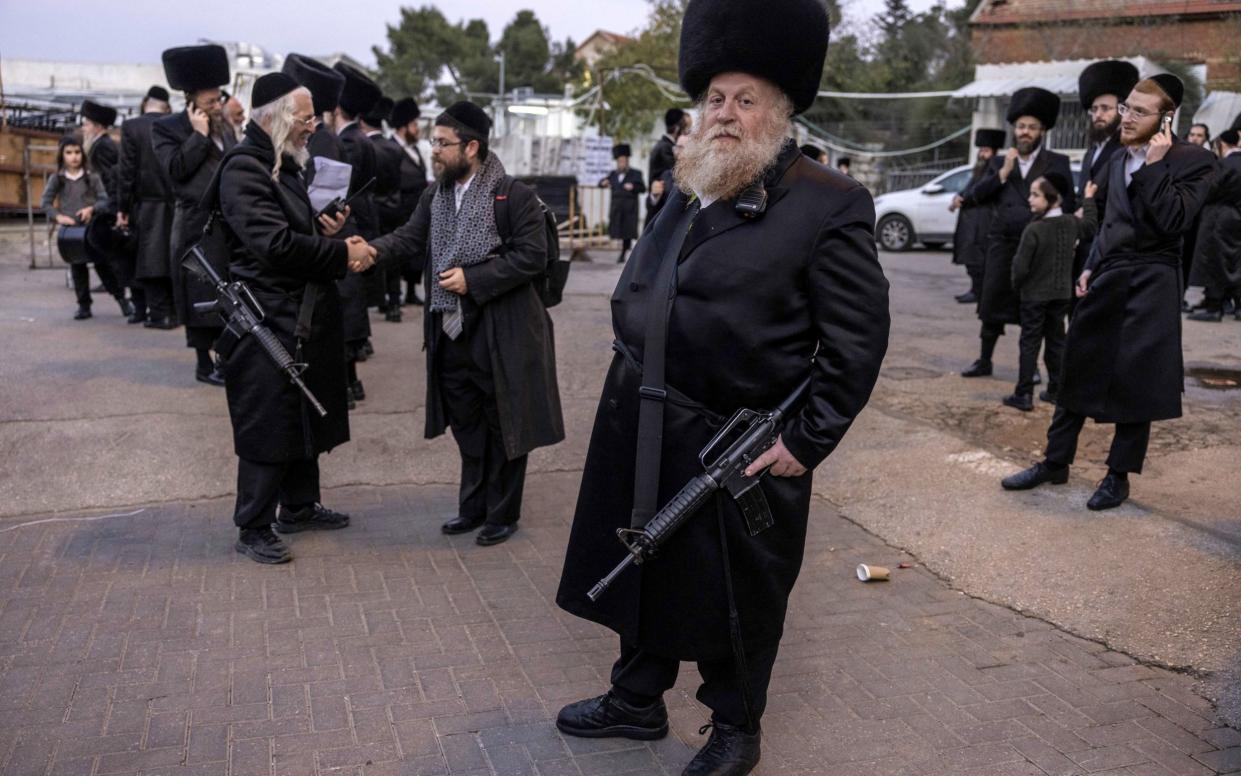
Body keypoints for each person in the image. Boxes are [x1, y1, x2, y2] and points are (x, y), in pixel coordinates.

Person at [553, 0, 890, 772]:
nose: (724, 114)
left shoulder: (828, 203)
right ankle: (636, 700)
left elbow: (855, 342)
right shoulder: (689, 184)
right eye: (714, 99)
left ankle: (737, 729)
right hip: (644, 424)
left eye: (745, 100)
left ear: (778, 110)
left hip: (739, 443)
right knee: (642, 563)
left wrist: (804, 442)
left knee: (736, 593)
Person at [1002, 75, 1215, 511]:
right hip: (1109, 274)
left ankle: (1118, 477)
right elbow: (1109, 222)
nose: (1127, 117)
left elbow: (1174, 219)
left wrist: (1155, 166)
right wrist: (1091, 266)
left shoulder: (1196, 160)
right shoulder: (1115, 157)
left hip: (1154, 281)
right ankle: (1055, 462)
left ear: (1165, 118)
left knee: (1137, 383)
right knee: (1077, 368)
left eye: (1139, 110)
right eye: (1126, 107)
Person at [370, 100, 565, 547]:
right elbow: (409, 238)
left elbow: (532, 257)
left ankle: (502, 513)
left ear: (471, 147)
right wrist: (368, 251)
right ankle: (471, 507)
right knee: (468, 423)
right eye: (433, 142)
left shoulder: (512, 195)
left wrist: (473, 279)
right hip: (451, 331)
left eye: (442, 143)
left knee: (505, 422)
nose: (433, 150)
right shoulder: (434, 195)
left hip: (503, 331)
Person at [209, 74, 375, 564]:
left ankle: (299, 506)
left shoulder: (279, 163)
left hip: (295, 313)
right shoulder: (244, 169)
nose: (313, 127)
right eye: (305, 119)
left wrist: (324, 229)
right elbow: (272, 246)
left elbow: (289, 232)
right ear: (279, 117)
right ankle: (254, 525)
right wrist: (340, 253)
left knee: (299, 413)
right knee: (267, 422)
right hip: (264, 317)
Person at [961, 87, 1075, 379]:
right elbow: (974, 197)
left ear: (1043, 131)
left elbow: (1068, 204)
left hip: (1039, 250)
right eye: (1021, 126)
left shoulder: (1056, 162)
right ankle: (984, 360)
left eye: (1032, 127)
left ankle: (1030, 368)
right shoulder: (999, 162)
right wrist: (1001, 174)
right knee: (990, 308)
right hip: (1001, 246)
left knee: (1032, 310)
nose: (1025, 132)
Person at [152, 44, 234, 385]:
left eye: (218, 100)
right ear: (191, 99)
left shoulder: (226, 126)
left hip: (227, 225)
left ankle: (226, 359)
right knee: (200, 294)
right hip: (194, 227)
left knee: (227, 294)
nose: (217, 106)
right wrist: (199, 137)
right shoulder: (167, 128)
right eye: (210, 102)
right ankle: (204, 365)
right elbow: (175, 171)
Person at [1002, 172, 1098, 411]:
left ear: (1052, 198)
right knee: (1056, 343)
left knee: (1029, 343)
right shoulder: (1070, 223)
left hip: (1034, 296)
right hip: (1061, 295)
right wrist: (1088, 199)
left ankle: (1024, 394)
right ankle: (1055, 390)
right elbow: (1090, 226)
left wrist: (1017, 285)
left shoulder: (1034, 229)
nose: (1030, 199)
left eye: (1036, 194)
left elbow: (1020, 266)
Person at [332, 61, 383, 404]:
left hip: (349, 222)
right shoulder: (360, 138)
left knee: (347, 304)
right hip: (363, 216)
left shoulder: (348, 142)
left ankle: (348, 381)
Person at [1073, 60, 1138, 319]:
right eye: (1094, 109)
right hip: (1083, 242)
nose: (1098, 114)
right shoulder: (1091, 151)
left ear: (1121, 111)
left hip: (1109, 245)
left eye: (1105, 108)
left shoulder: (1126, 151)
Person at [42, 135, 126, 320]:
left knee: (103, 266)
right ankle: (84, 305)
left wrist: (91, 208)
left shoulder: (92, 177)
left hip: (91, 230)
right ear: (62, 155)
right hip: (71, 232)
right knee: (77, 267)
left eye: (77, 152)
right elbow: (46, 203)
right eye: (69, 153)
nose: (74, 157)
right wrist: (59, 217)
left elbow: (104, 199)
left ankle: (122, 300)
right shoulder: (58, 179)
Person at [116, 86, 174, 326]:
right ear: (166, 106)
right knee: (170, 258)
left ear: (145, 102)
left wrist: (123, 208)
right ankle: (174, 312)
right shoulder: (176, 123)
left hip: (146, 204)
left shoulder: (131, 127)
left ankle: (159, 314)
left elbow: (126, 172)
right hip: (175, 202)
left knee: (149, 260)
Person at [80, 100, 137, 320]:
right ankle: (123, 299)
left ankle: (126, 300)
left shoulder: (102, 146)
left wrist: (107, 208)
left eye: (87, 123)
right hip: (105, 208)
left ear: (97, 126)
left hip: (107, 210)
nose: (84, 127)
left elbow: (111, 180)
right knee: (103, 256)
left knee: (111, 257)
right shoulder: (101, 144)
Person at [1187, 130, 1241, 321]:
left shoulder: (1223, 165)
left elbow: (1210, 189)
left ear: (1222, 143)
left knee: (1214, 259)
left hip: (1217, 217)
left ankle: (1213, 307)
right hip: (1236, 215)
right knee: (1234, 261)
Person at [362, 96, 407, 321]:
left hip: (375, 207)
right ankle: (395, 302)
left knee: (374, 253)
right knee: (394, 256)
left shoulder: (365, 146)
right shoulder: (394, 148)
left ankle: (379, 299)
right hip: (394, 205)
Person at [950, 128, 1005, 304]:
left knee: (979, 260)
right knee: (970, 258)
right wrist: (959, 196)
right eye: (981, 150)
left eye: (986, 150)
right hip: (971, 222)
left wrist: (964, 199)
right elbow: (970, 186)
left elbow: (982, 190)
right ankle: (975, 289)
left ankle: (979, 292)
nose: (982, 154)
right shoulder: (979, 169)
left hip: (984, 222)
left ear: (994, 152)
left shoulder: (995, 168)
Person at [389, 97, 430, 305]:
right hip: (399, 211)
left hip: (415, 210)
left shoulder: (414, 149)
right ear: (404, 127)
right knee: (398, 255)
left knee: (416, 255)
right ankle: (395, 296)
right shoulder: (390, 148)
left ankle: (412, 291)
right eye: (414, 125)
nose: (417, 129)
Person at [600, 144, 646, 263]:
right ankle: (624, 250)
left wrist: (633, 186)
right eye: (620, 161)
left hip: (629, 209)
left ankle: (623, 253)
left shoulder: (636, 173)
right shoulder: (613, 174)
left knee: (627, 232)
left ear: (627, 161)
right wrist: (603, 183)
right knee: (617, 230)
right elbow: (600, 183)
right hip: (616, 208)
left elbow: (643, 188)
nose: (622, 163)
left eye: (624, 161)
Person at [645, 134, 688, 229]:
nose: (677, 152)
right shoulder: (666, 175)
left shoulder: (699, 179)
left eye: (681, 147)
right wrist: (654, 197)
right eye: (676, 147)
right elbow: (652, 209)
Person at [649, 107, 688, 185]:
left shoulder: (663, 145)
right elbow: (676, 173)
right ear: (677, 128)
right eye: (684, 128)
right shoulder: (666, 147)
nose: (685, 132)